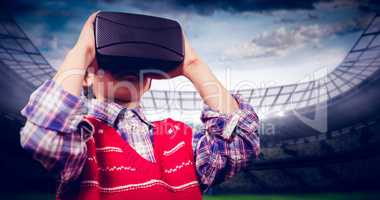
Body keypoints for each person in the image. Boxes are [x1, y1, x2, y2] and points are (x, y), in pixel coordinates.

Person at [19, 12, 260, 200]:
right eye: (112, 61)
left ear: (150, 82)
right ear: (85, 76)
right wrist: (83, 49)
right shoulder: (81, 140)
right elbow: (44, 137)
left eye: (139, 63)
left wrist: (192, 64)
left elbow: (240, 143)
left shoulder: (180, 138)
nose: (129, 66)